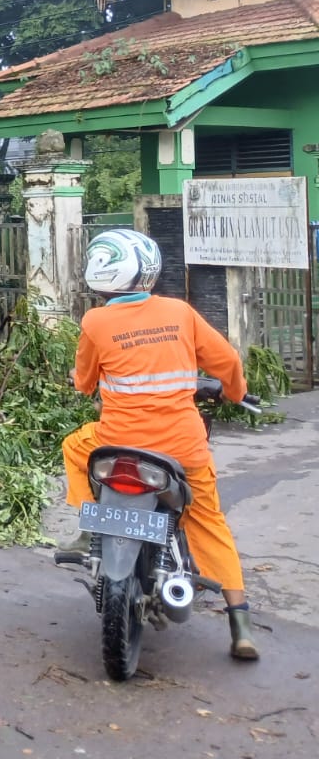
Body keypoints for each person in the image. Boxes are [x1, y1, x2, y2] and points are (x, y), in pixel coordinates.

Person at [59, 228, 258, 661]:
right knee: (208, 520)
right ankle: (240, 621)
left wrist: (90, 380)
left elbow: (84, 382)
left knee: (75, 445)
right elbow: (227, 362)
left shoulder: (95, 321)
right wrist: (238, 394)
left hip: (116, 443)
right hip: (182, 447)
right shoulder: (180, 313)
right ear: (148, 270)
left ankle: (86, 527)